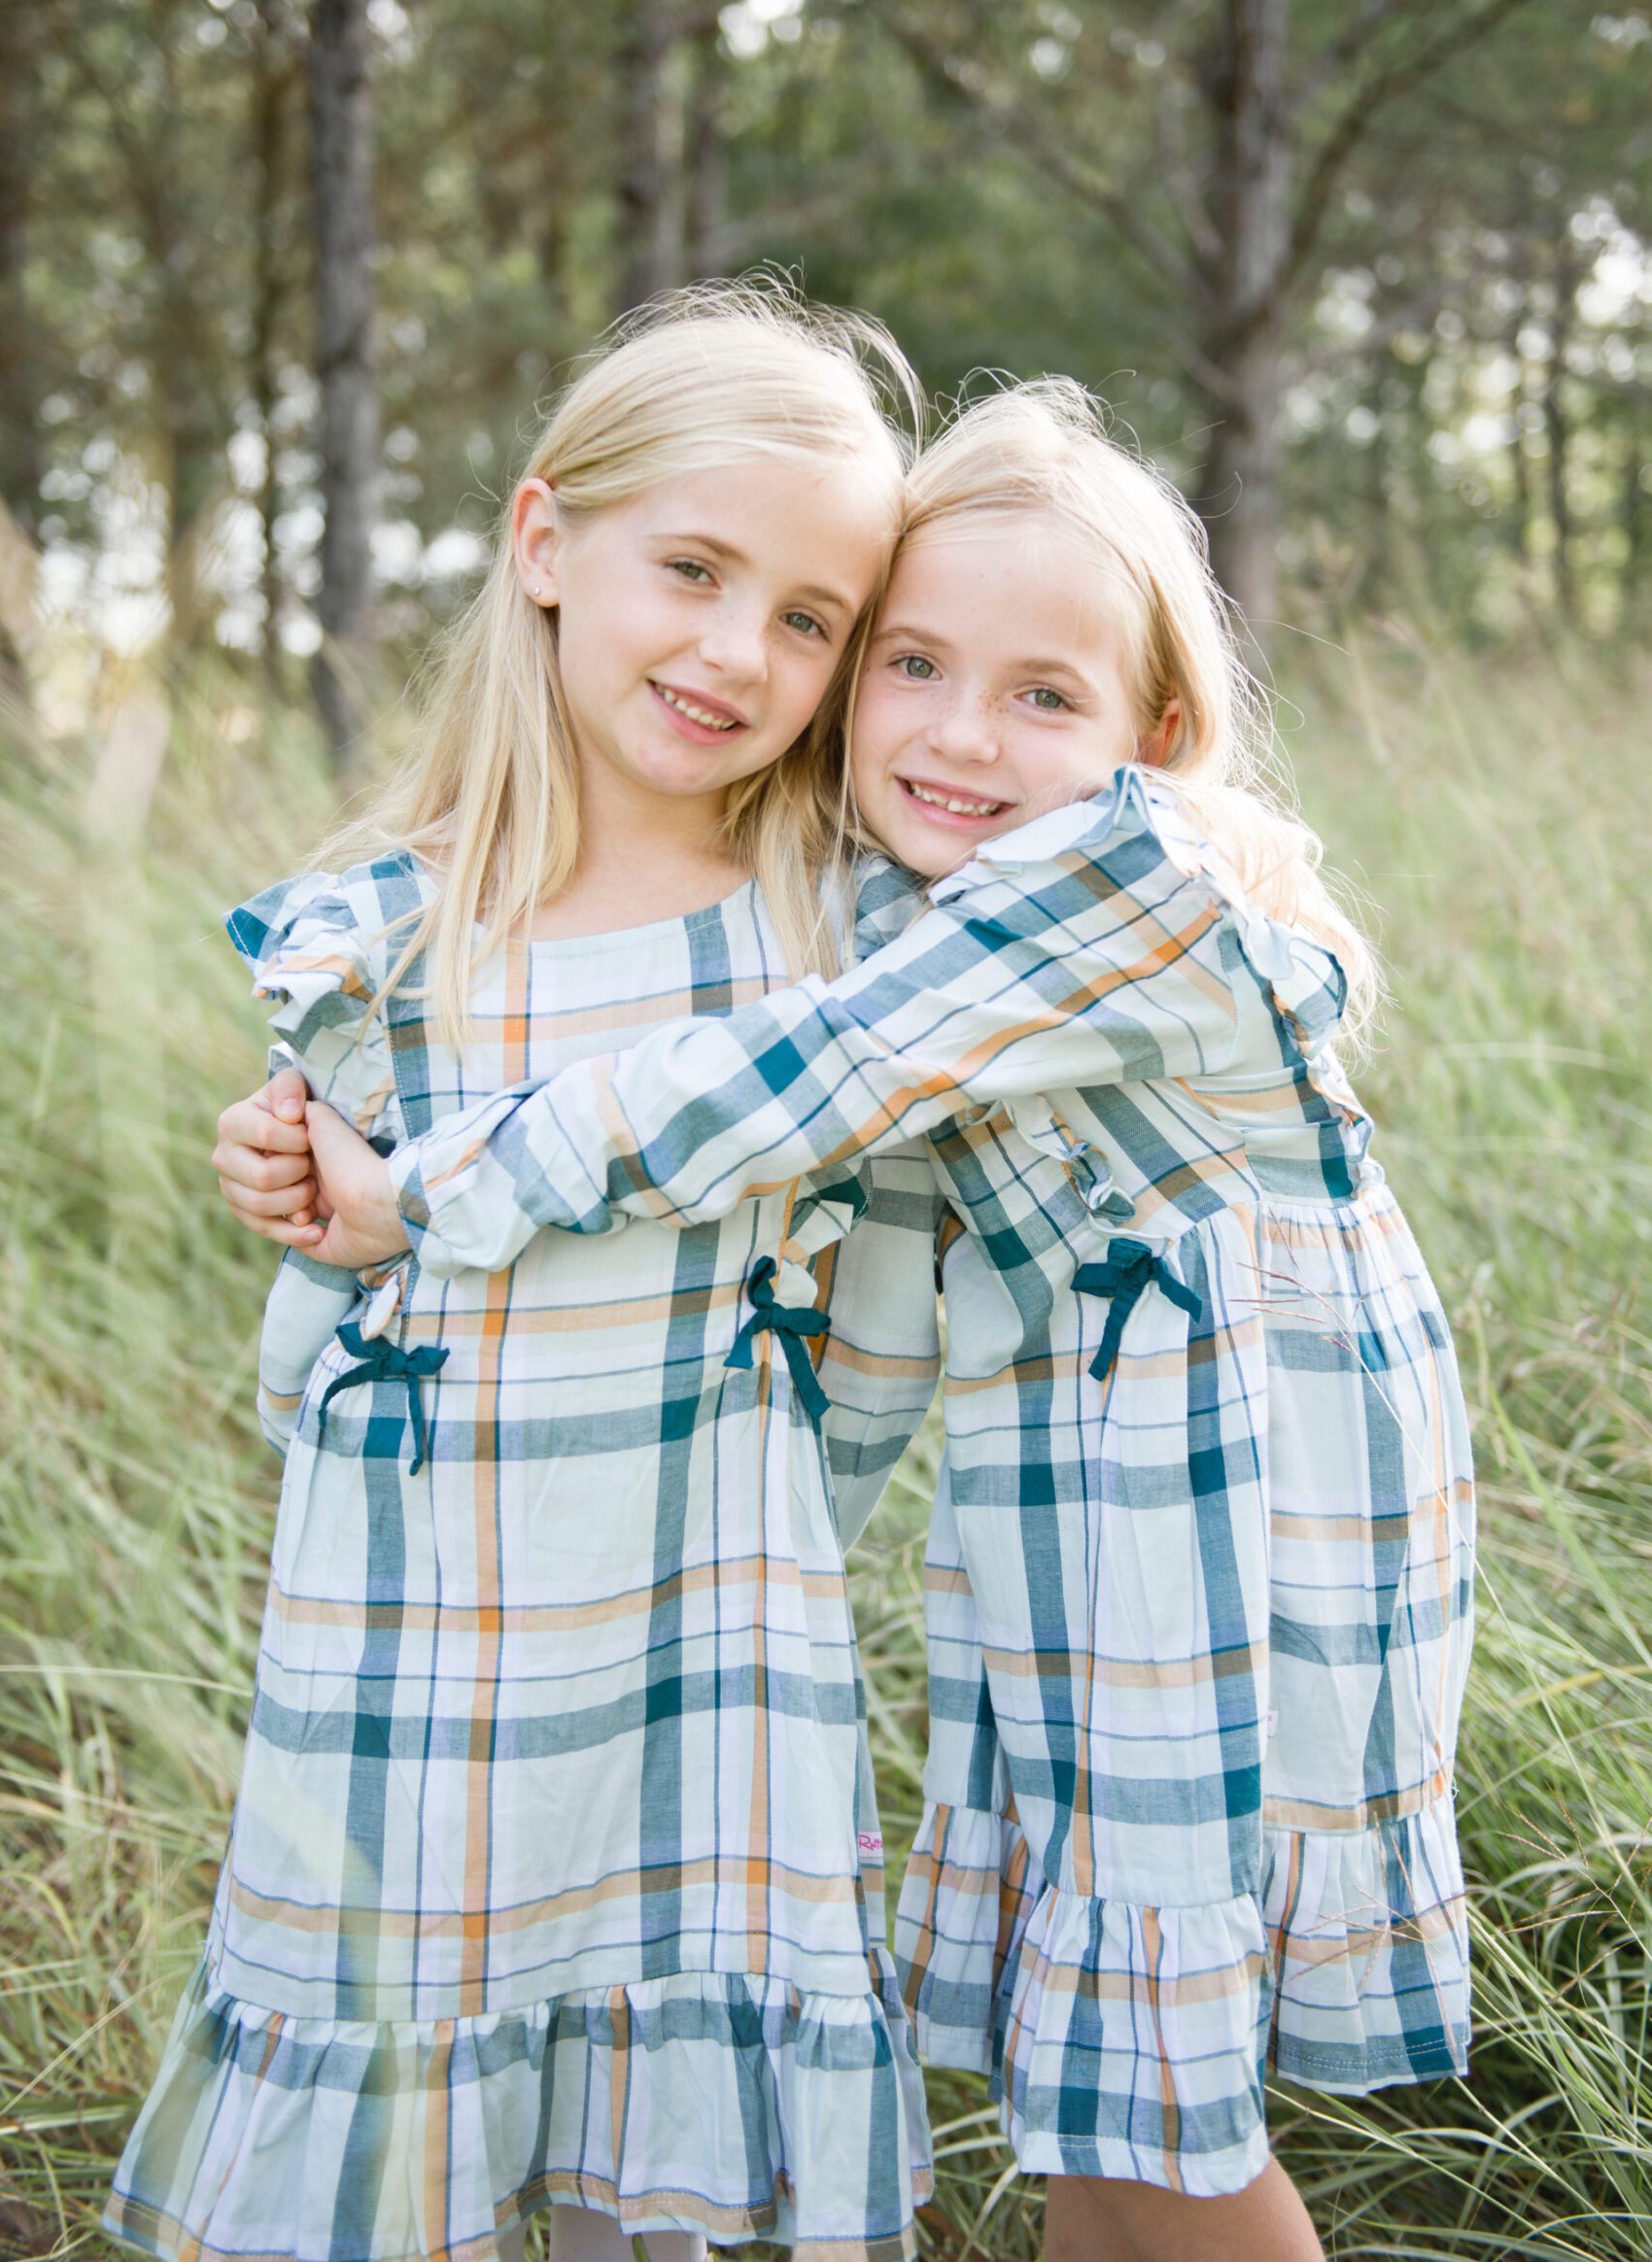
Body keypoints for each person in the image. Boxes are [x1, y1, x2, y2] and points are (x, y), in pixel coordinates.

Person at [248, 381, 1476, 2262]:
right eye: (912, 661)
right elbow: (872, 1330)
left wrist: (427, 1187)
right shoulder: (915, 918)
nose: (966, 734)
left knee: (1162, 2108)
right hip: (1066, 1544)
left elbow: (782, 1083)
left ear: (1154, 731)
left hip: (1241, 1544)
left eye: (1045, 694)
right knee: (1099, 2083)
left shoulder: (1109, 884)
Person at [107, 285, 949, 2262]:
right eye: (693, 568)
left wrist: (788, 1510)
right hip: (417, 1640)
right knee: (411, 2125)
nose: (742, 650)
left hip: (710, 1635)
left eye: (813, 616)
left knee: (648, 2169)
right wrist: (288, 1179)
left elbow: (891, 1312)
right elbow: (310, 1343)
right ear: (547, 541)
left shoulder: (833, 922)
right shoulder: (385, 935)